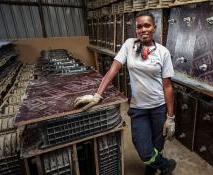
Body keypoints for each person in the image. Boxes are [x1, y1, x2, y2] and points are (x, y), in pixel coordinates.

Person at [75, 11, 176, 175]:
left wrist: (170, 117)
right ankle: (166, 166)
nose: (143, 29)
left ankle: (150, 171)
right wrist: (97, 95)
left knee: (157, 146)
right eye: (139, 26)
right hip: (138, 109)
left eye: (147, 25)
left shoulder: (163, 52)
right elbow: (113, 70)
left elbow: (167, 86)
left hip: (159, 108)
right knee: (144, 149)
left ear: (154, 28)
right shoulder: (129, 45)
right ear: (136, 29)